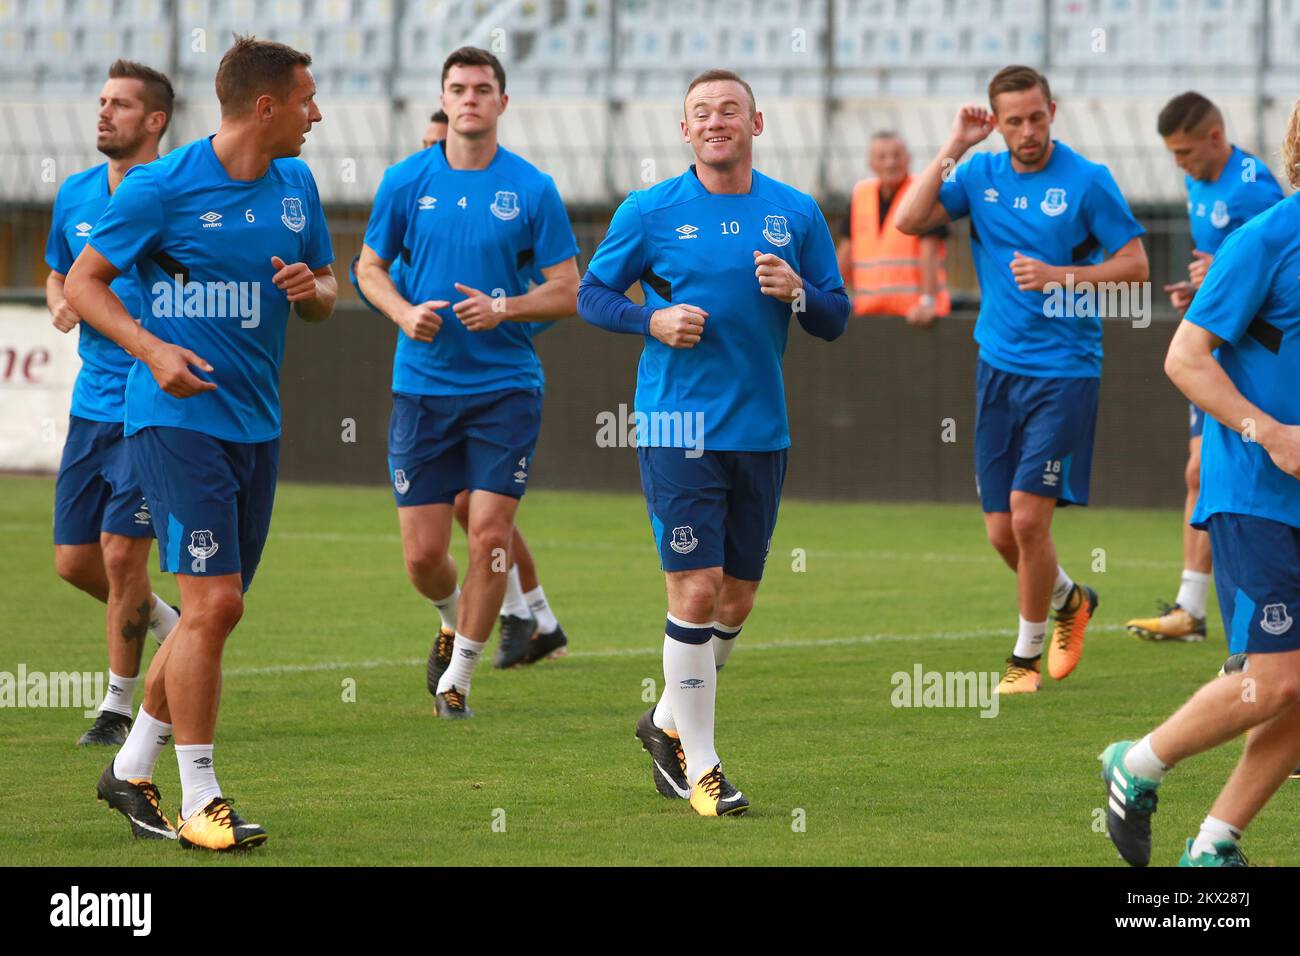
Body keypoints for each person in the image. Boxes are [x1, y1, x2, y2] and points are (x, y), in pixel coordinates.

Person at [64, 35, 336, 850]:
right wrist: (153, 351)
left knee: (208, 618)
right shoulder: (160, 188)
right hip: (174, 421)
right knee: (214, 604)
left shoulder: (297, 184)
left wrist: (309, 288)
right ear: (266, 107)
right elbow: (83, 284)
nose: (316, 113)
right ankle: (201, 798)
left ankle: (132, 767)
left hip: (256, 424)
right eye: (307, 99)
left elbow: (325, 291)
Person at [579, 69, 848, 816]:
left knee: (737, 597)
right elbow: (592, 294)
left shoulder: (794, 212)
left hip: (760, 430)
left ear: (755, 124)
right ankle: (704, 767)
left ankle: (664, 723)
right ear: (683, 129)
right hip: (677, 426)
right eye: (701, 112)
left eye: (729, 110)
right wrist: (649, 321)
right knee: (694, 589)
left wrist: (799, 291)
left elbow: (835, 315)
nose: (715, 121)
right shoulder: (649, 211)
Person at [895, 64, 1149, 694]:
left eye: (1037, 117)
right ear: (998, 123)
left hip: (1065, 372)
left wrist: (1062, 276)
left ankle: (1023, 659)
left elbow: (1136, 266)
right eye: (1014, 121)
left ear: (1052, 112)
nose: (1028, 130)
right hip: (997, 369)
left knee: (1031, 522)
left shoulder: (1088, 181)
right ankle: (1070, 600)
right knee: (1001, 531)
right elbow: (908, 217)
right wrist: (956, 145)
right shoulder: (979, 174)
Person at [1100, 99, 1300, 867]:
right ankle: (1138, 761)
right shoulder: (1270, 235)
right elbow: (1184, 357)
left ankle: (1215, 844)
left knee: (1291, 687)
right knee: (1276, 683)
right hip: (1256, 492)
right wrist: (1271, 433)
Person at [356, 47, 579, 718]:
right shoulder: (404, 180)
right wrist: (402, 311)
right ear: (445, 100)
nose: (471, 98)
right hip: (421, 390)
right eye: (459, 88)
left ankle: (459, 677)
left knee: (488, 535)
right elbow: (367, 268)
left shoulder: (533, 188)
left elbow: (568, 288)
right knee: (425, 558)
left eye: (484, 88)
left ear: (502, 103)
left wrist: (504, 307)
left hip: (505, 388)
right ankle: (455, 620)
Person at [46, 59, 180, 746]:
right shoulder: (73, 193)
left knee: (123, 556)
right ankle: (171, 622)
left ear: (155, 121)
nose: (104, 113)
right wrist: (59, 305)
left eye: (121, 105)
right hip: (90, 400)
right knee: (75, 562)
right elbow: (57, 273)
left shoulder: (175, 193)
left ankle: (116, 705)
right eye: (101, 102)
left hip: (151, 400)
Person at [1126, 92, 1284, 645]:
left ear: (1215, 137)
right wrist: (1200, 294)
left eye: (1185, 152)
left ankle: (1208, 613)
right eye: (1172, 154)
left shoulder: (1255, 189)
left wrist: (1221, 280)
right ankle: (1193, 607)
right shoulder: (1199, 182)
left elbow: (1278, 270)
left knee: (1209, 470)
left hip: (1251, 354)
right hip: (1214, 343)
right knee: (1200, 471)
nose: (1179, 165)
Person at [837, 130, 950, 326]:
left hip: (915, 316)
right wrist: (829, 296)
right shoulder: (860, 196)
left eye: (897, 155)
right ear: (871, 163)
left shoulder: (923, 193)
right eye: (882, 157)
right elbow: (846, 252)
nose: (890, 162)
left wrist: (927, 302)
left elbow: (929, 252)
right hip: (869, 314)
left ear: (908, 159)